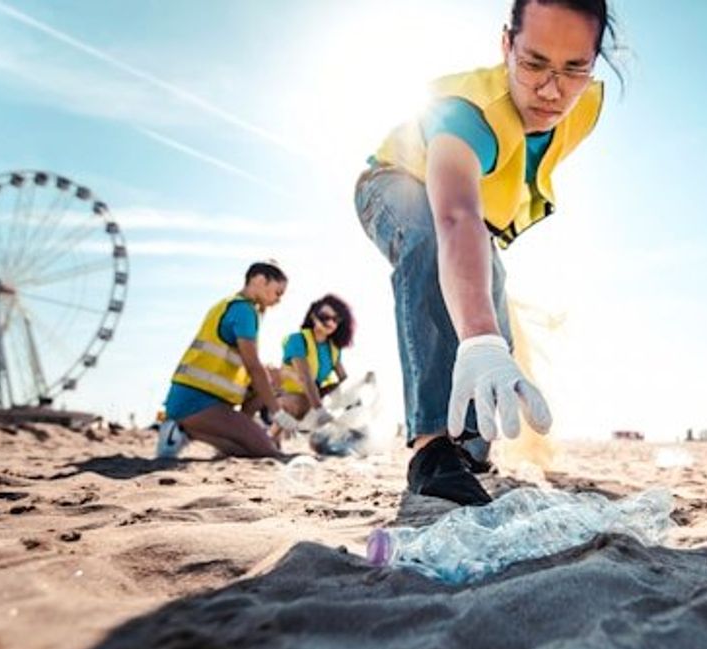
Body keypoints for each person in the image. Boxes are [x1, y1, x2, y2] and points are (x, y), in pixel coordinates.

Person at [354, 0, 622, 505]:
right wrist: (477, 339)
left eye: (574, 70)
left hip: (476, 219)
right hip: (396, 186)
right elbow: (453, 216)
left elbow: (479, 221)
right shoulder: (467, 113)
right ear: (506, 45)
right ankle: (432, 449)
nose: (551, 90)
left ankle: (470, 447)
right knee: (435, 253)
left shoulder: (582, 108)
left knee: (489, 300)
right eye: (533, 63)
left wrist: (484, 331)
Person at [155, 261, 298, 459]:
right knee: (266, 450)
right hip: (197, 400)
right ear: (259, 280)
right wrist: (277, 413)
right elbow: (253, 368)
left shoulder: (232, 306)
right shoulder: (243, 311)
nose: (278, 300)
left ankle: (186, 430)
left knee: (249, 451)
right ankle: (181, 427)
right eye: (277, 292)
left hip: (202, 401)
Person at [272, 294, 355, 426]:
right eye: (325, 317)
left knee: (342, 388)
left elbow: (344, 380)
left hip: (312, 397)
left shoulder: (333, 349)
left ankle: (346, 430)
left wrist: (355, 399)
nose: (330, 323)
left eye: (336, 319)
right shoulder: (297, 340)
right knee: (296, 403)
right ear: (313, 316)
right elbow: (305, 378)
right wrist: (320, 411)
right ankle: (272, 435)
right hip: (285, 397)